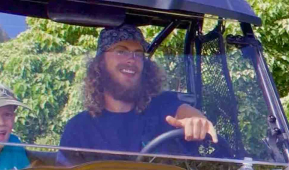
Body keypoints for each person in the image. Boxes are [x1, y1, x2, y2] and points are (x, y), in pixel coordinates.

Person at [59, 24, 217, 160]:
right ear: (100, 62)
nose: (131, 59)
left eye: (138, 53)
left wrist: (196, 121)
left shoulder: (162, 106)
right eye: (121, 51)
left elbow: (186, 113)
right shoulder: (78, 128)